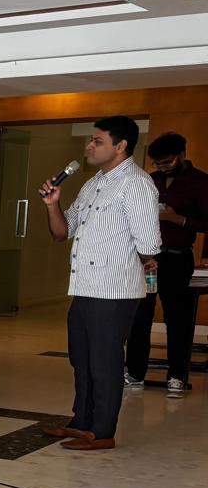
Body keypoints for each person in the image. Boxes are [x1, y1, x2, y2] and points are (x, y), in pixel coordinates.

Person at [40, 115, 161, 451]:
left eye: (97, 141)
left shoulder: (136, 184)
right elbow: (63, 232)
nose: (89, 146)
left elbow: (149, 244)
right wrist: (52, 205)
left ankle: (103, 431)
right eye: (90, 140)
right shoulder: (92, 184)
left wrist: (124, 263)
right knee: (82, 357)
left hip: (115, 290)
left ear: (121, 146)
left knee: (105, 362)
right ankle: (82, 422)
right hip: (85, 287)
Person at [125, 131, 208, 397]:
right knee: (140, 316)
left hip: (177, 256)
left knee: (178, 319)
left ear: (182, 155)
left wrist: (179, 219)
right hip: (148, 259)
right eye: (157, 163)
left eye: (167, 162)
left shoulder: (200, 182)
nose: (162, 167)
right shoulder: (151, 180)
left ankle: (177, 376)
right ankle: (135, 373)